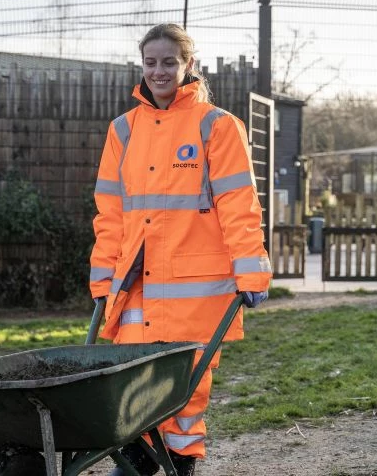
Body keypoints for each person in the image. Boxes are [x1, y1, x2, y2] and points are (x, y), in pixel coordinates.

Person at [89, 23, 273, 476]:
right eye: (150, 62)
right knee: (132, 376)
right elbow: (110, 212)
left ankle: (179, 459)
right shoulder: (123, 130)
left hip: (197, 284)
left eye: (169, 62)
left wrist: (252, 272)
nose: (158, 71)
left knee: (185, 386)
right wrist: (101, 275)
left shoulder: (217, 126)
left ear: (188, 65)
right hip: (136, 281)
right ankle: (138, 456)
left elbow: (238, 203)